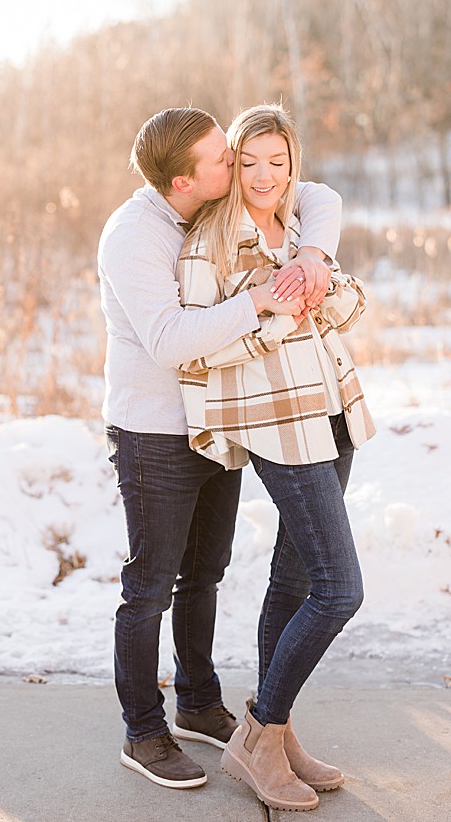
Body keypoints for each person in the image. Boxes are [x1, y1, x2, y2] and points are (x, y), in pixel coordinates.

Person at [99, 106, 341, 790]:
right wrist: (263, 299)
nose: (236, 165)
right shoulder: (133, 237)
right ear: (183, 181)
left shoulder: (205, 210)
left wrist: (315, 255)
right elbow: (172, 339)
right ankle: (143, 732)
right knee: (148, 586)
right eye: (222, 159)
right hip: (153, 432)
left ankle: (199, 703)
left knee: (204, 573)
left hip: (216, 420)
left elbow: (317, 195)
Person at [176, 103, 375, 813]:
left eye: (278, 162)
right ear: (233, 164)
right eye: (250, 161)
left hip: (332, 413)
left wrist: (325, 285)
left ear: (293, 165)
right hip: (279, 426)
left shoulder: (298, 230)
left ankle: (277, 730)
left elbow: (349, 312)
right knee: (339, 588)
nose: (264, 176)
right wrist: (272, 318)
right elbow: (194, 349)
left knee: (293, 581)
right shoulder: (210, 243)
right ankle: (258, 736)